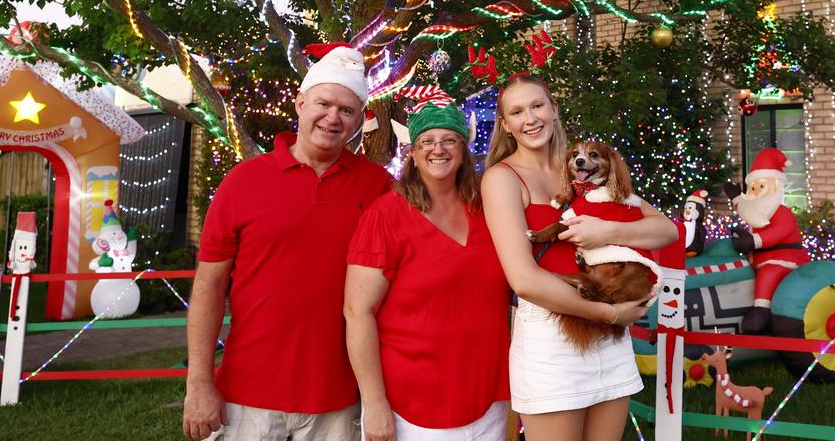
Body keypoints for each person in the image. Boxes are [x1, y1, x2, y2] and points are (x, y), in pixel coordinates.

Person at [184, 45, 393, 441]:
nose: (332, 118)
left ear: (360, 120)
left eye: (346, 110)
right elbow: (209, 286)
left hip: (339, 396)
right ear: (299, 103)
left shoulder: (380, 186)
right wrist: (199, 382)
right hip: (248, 393)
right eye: (323, 103)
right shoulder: (244, 181)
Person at [481, 74, 678, 441]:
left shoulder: (582, 169)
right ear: (506, 125)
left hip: (608, 338)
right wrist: (611, 314)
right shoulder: (502, 178)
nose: (530, 118)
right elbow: (523, 279)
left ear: (554, 110)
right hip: (554, 335)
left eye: (538, 106)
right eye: (517, 111)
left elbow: (666, 229)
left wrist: (607, 232)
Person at [345, 94, 510, 441]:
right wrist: (374, 403)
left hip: (488, 399)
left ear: (463, 149)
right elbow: (357, 312)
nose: (439, 149)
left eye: (449, 139)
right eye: (427, 142)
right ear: (414, 154)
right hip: (411, 405)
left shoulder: (489, 208)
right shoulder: (385, 215)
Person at [723, 147, 810, 334]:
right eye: (752, 188)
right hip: (757, 258)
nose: (755, 192)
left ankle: (761, 312)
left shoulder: (781, 212)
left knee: (768, 273)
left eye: (761, 186)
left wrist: (753, 241)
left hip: (783, 259)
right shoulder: (759, 210)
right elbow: (748, 209)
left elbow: (778, 233)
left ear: (775, 186)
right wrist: (737, 197)